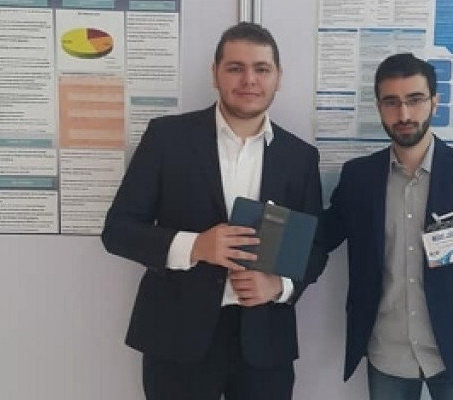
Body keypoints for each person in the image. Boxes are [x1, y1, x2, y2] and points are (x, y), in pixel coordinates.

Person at [101, 22, 327, 400]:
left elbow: (315, 246)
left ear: (278, 77)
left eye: (262, 69)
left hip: (265, 342)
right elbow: (118, 230)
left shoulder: (300, 157)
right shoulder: (166, 138)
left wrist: (280, 286)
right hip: (177, 338)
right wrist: (196, 246)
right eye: (235, 68)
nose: (249, 80)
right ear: (215, 73)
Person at [324, 53, 453, 400]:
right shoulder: (359, 178)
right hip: (387, 353)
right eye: (391, 102)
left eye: (415, 99)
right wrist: (263, 238)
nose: (404, 114)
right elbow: (320, 237)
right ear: (379, 107)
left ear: (434, 102)